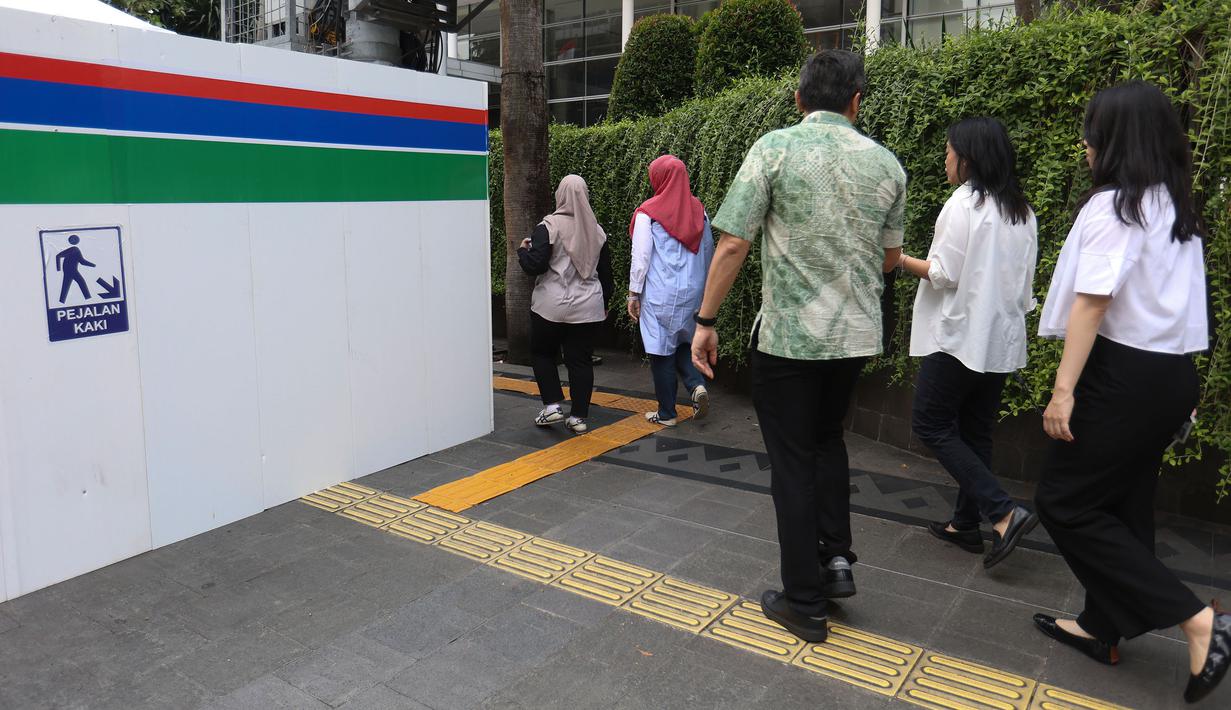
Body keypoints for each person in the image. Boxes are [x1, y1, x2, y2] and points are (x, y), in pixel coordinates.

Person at [692, 50, 906, 643]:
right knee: (827, 440)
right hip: (855, 334)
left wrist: (705, 320)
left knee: (791, 461)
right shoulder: (888, 165)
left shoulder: (775, 149)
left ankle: (804, 600)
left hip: (789, 338)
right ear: (857, 100)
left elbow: (733, 244)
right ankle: (836, 560)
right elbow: (890, 261)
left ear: (799, 100)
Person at [1030, 81, 1228, 704]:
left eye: (1093, 131)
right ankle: (1102, 626)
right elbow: (1186, 305)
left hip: (1123, 374)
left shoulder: (1117, 206)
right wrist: (1185, 390)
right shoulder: (1177, 207)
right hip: (1170, 375)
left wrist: (1063, 391)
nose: (1085, 143)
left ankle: (1200, 619)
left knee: (1065, 502)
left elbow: (1094, 301)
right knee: (1123, 499)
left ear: (1114, 140)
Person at [897, 117, 1040, 569]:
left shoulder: (964, 205)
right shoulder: (1021, 210)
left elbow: (943, 273)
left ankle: (1002, 512)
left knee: (932, 422)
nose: (945, 159)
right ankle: (965, 524)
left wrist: (897, 259)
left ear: (968, 158)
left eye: (949, 151)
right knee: (975, 430)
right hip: (999, 337)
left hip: (959, 336)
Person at [518, 174, 614, 435]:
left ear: (560, 194)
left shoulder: (548, 226)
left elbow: (534, 266)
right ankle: (578, 418)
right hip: (588, 307)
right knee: (580, 361)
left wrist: (523, 251)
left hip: (551, 306)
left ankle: (552, 407)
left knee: (542, 353)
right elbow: (606, 273)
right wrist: (604, 303)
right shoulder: (597, 231)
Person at [627, 155, 716, 427]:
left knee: (660, 350)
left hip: (659, 293)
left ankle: (667, 413)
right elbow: (709, 251)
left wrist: (633, 293)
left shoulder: (647, 213)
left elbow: (641, 257)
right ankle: (696, 385)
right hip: (694, 292)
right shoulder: (699, 210)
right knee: (685, 343)